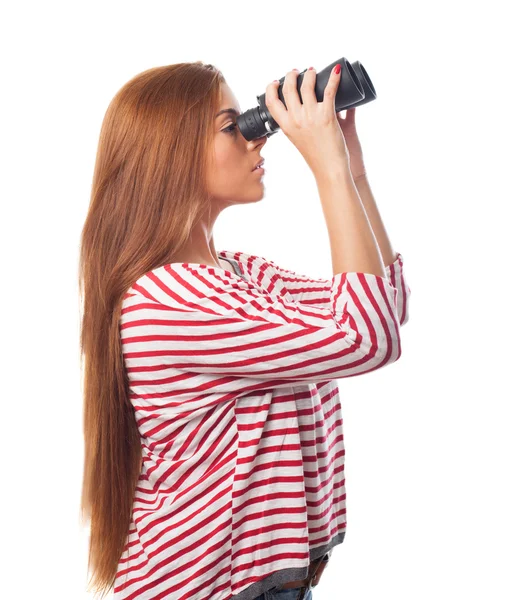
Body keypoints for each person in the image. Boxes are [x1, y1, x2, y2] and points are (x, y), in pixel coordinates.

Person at [79, 61, 411, 600]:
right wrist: (325, 172)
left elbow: (383, 309)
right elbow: (366, 338)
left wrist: (352, 176)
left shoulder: (240, 275)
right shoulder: (169, 301)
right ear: (172, 153)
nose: (259, 138)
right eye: (233, 125)